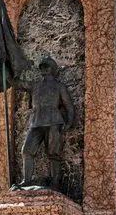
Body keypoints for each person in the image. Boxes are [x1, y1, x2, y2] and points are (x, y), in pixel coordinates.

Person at [15, 57, 74, 190]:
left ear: (53, 69)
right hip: (36, 122)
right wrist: (8, 71)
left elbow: (68, 106)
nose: (43, 69)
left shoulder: (59, 86)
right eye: (42, 67)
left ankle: (55, 183)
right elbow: (18, 83)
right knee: (27, 150)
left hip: (54, 121)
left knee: (54, 153)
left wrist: (70, 122)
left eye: (46, 67)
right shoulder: (35, 85)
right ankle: (26, 181)